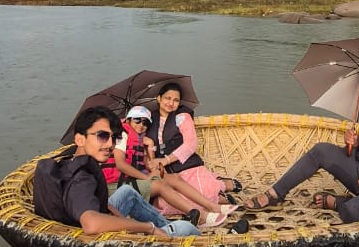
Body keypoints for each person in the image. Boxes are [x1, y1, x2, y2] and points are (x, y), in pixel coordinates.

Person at [242, 78, 359, 224]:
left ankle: (339, 202)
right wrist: (355, 141)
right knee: (321, 150)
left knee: (352, 212)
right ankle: (275, 194)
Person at [32, 106, 209, 237]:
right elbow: (91, 224)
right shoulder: (82, 179)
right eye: (102, 136)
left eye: (114, 138)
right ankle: (171, 230)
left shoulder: (69, 160)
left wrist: (131, 224)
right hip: (88, 235)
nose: (110, 144)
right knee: (187, 229)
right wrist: (148, 228)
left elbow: (101, 203)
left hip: (75, 217)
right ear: (79, 139)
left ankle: (165, 225)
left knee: (126, 193)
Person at [105, 104, 233, 228]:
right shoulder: (122, 136)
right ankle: (201, 217)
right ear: (128, 120)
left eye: (145, 123)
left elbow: (150, 166)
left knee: (174, 178)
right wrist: (146, 178)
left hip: (133, 181)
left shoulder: (140, 140)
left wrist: (150, 148)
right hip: (118, 187)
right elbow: (120, 165)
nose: (141, 125)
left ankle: (212, 206)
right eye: (137, 120)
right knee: (160, 185)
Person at [146, 82, 242, 218]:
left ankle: (221, 185)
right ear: (159, 98)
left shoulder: (182, 116)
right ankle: (218, 190)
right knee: (165, 203)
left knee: (205, 191)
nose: (171, 103)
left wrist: (165, 160)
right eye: (167, 98)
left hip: (187, 166)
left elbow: (191, 144)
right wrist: (150, 147)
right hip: (167, 173)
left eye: (176, 100)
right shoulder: (149, 119)